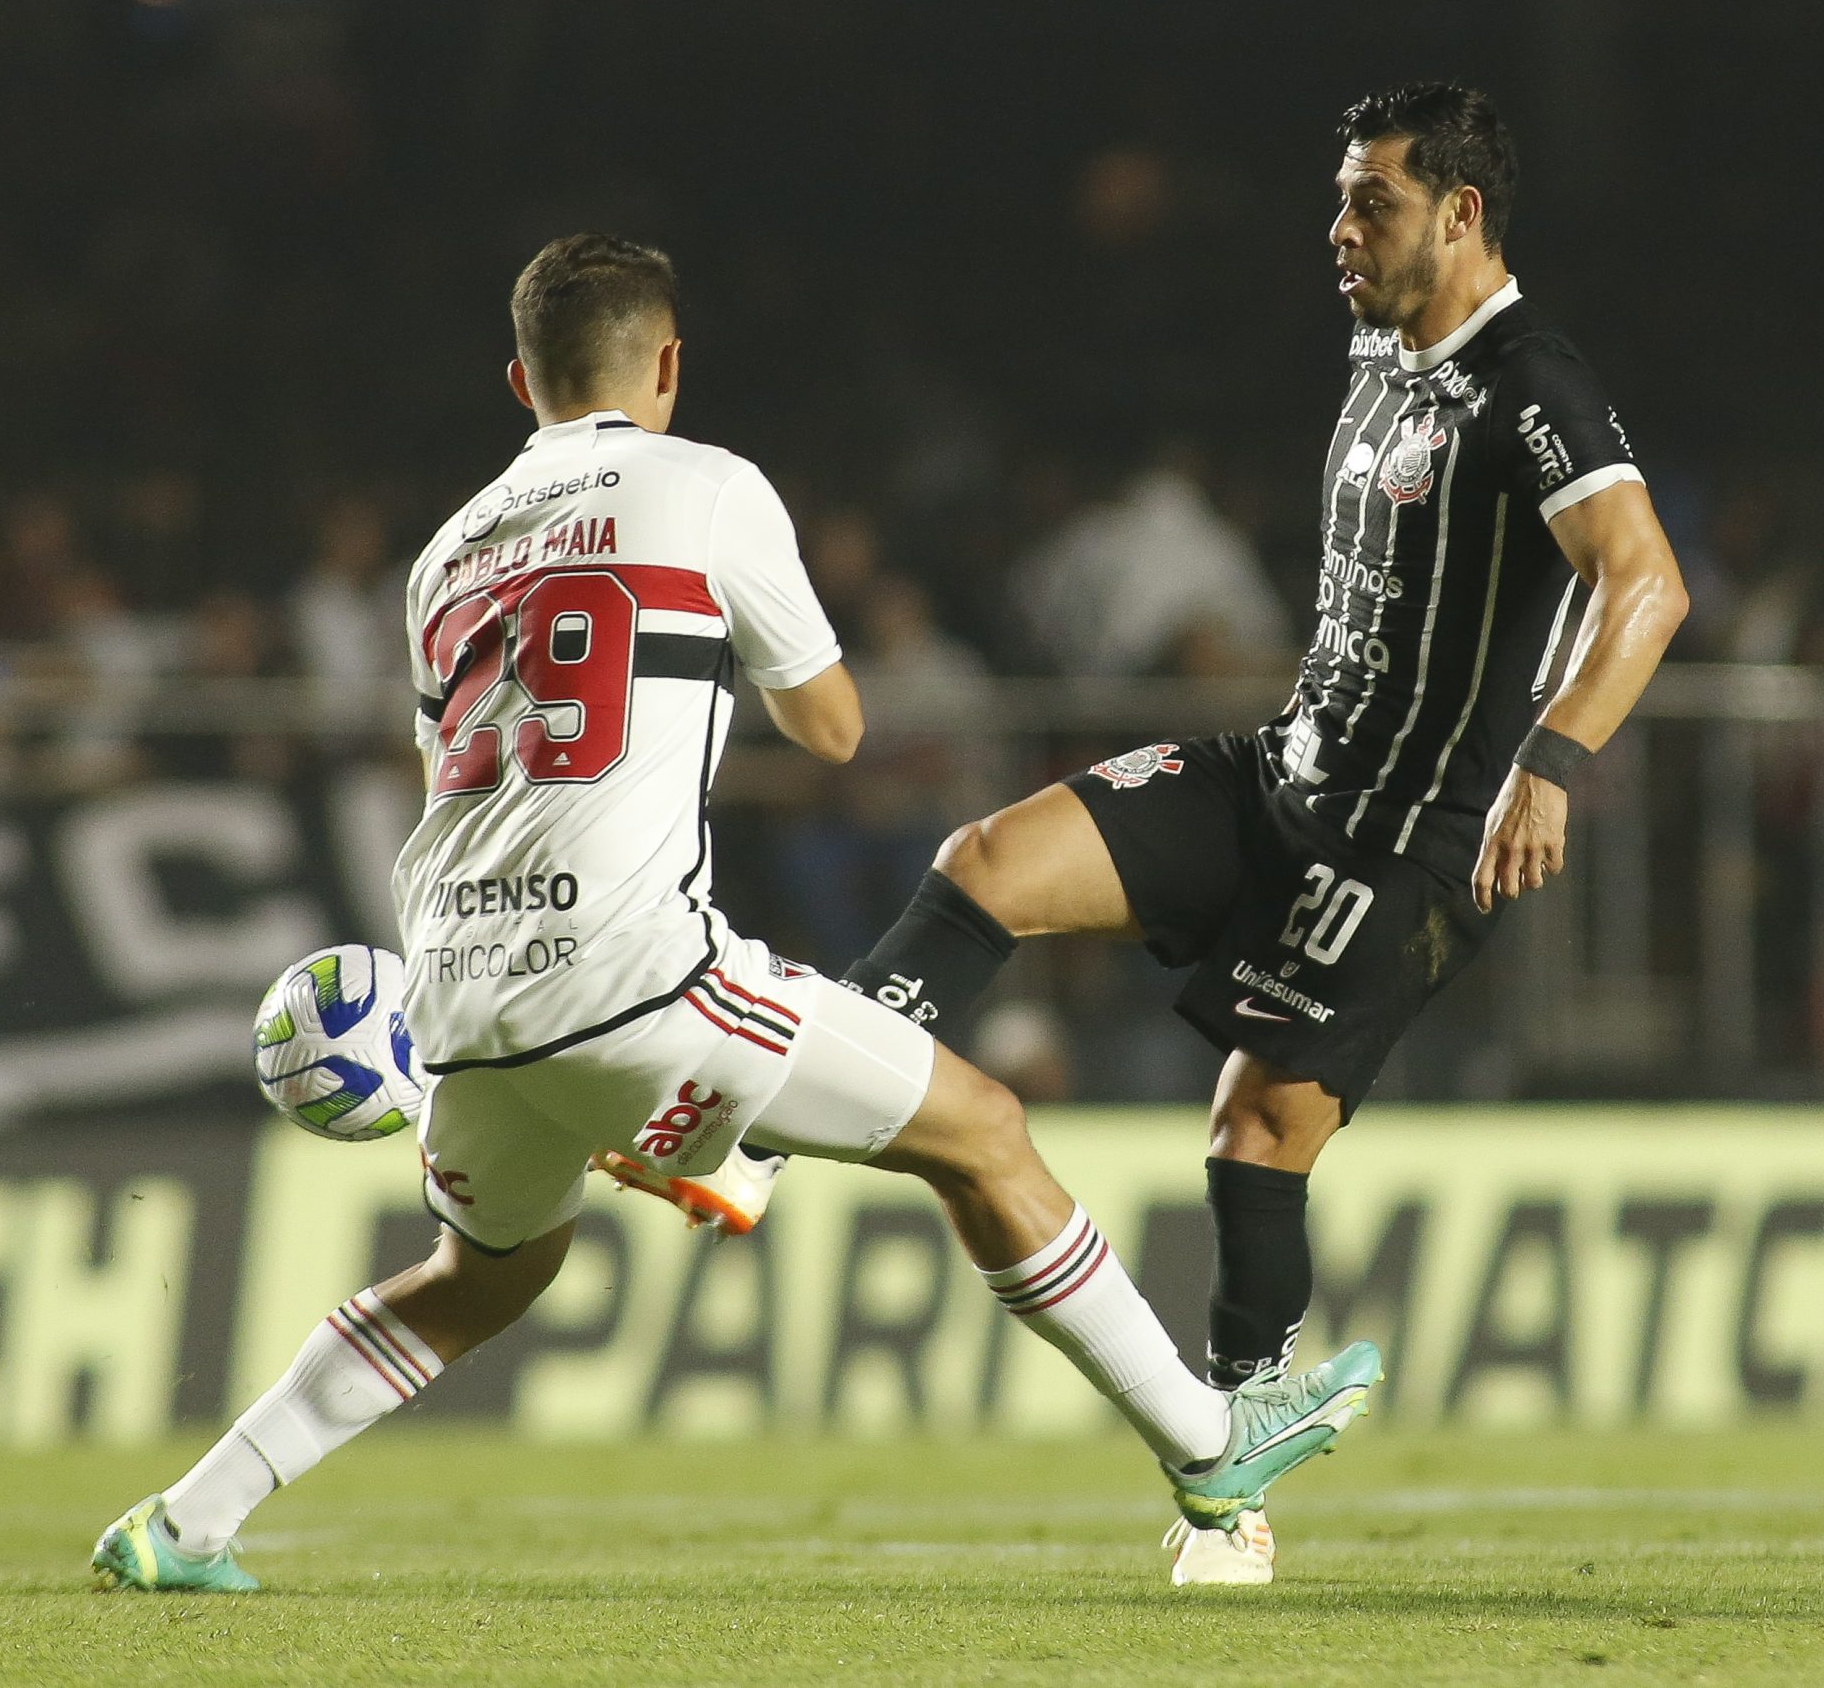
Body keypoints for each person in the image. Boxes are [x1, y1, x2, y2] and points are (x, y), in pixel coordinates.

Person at [90, 233, 1382, 1593]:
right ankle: (1203, 1440)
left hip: (458, 994)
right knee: (988, 1135)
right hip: (642, 969)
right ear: (667, 363)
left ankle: (185, 1524)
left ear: (517, 381)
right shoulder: (707, 486)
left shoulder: (445, 555)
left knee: (477, 1282)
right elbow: (831, 728)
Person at [625, 83, 1691, 1586]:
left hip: (1400, 849)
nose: (1339, 229)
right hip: (1277, 778)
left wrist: (1559, 762)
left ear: (1460, 215)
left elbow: (1643, 580)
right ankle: (762, 1140)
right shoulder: (1385, 352)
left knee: (1255, 1137)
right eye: (1339, 199)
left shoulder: (1536, 381)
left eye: (1370, 203)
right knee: (982, 863)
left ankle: (1232, 1496)